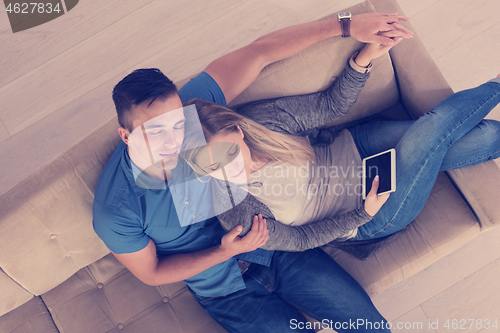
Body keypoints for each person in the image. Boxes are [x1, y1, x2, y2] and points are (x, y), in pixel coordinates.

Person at [92, 12, 414, 333]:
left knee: (372, 327)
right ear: (126, 135)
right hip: (227, 292)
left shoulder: (195, 116)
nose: (175, 141)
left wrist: (346, 26)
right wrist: (224, 251)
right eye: (157, 132)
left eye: (178, 124)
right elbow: (152, 272)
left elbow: (260, 52)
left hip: (275, 248)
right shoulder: (116, 210)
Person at [181, 55, 500, 253]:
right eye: (214, 166)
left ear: (237, 130)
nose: (230, 170)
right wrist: (364, 214)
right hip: (370, 211)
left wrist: (361, 62)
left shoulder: (261, 122)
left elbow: (329, 106)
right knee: (433, 132)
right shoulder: (234, 210)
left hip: (357, 148)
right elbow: (301, 240)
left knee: (485, 136)